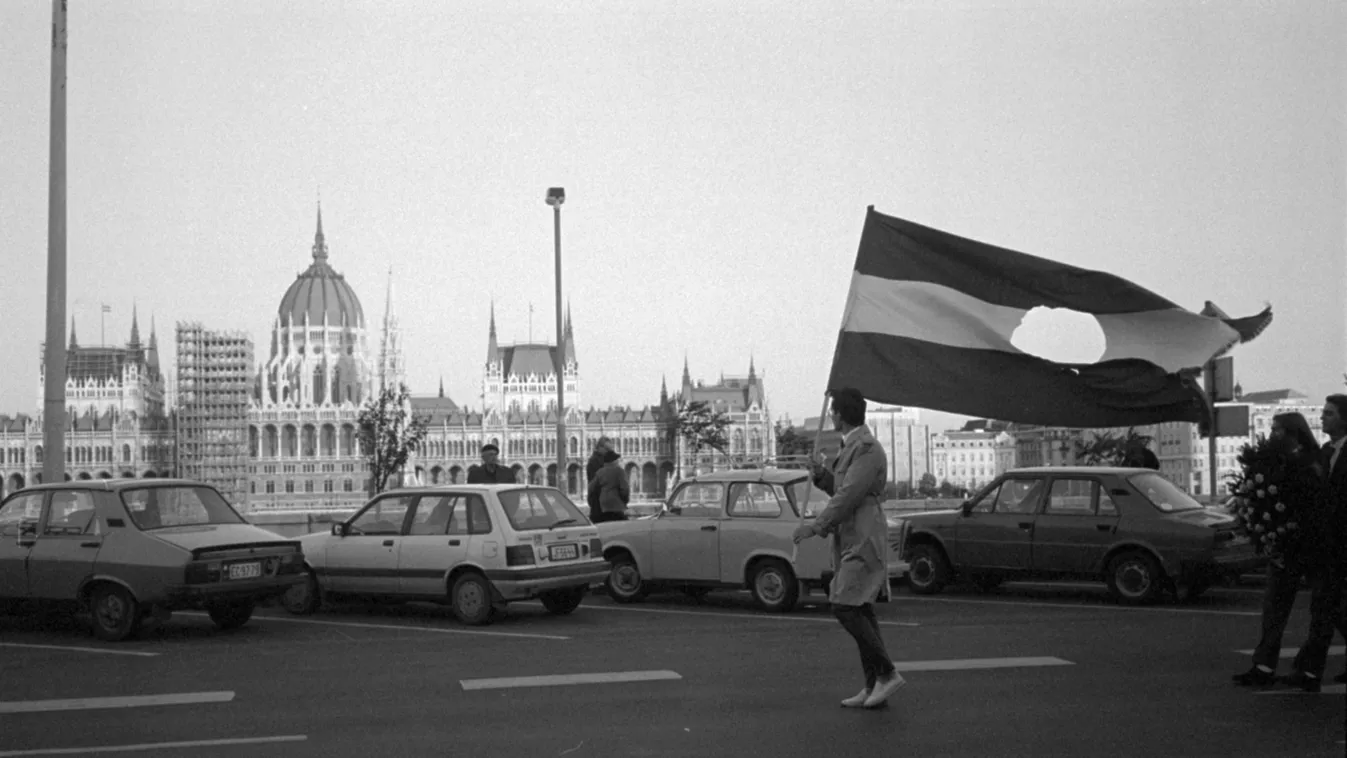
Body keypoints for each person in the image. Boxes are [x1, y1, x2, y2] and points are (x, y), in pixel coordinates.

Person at [792, 387, 904, 710]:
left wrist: (815, 527)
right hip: (852, 535)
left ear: (838, 414)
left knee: (844, 604)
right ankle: (873, 685)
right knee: (861, 606)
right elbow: (841, 487)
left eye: (833, 412)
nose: (831, 416)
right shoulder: (853, 446)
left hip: (864, 535)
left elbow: (848, 496)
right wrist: (821, 477)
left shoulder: (867, 448)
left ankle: (887, 672)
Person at [1231, 412, 1328, 688]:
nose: (1272, 434)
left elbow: (1311, 504)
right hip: (1284, 547)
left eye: (1277, 430)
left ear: (1293, 432)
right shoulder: (1276, 461)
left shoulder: (1312, 461)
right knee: (1274, 609)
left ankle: (1306, 668)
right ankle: (1263, 667)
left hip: (1309, 546)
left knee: (1327, 610)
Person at [1279, 395, 1347, 690]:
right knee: (1327, 607)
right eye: (1322, 413)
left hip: (1343, 543)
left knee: (1326, 607)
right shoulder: (1325, 451)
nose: (1322, 418)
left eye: (1330, 414)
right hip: (1327, 544)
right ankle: (1308, 671)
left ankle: (1308, 671)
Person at [587, 448, 629, 523]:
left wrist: (591, 503)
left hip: (603, 504)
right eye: (617, 460)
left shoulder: (600, 472)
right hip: (616, 504)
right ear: (614, 461)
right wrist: (625, 500)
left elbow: (591, 488)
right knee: (621, 524)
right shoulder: (619, 471)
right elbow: (625, 488)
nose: (618, 461)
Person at [586, 437, 614, 521]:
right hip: (601, 506)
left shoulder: (604, 460)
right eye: (607, 449)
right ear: (600, 448)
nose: (610, 452)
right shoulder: (595, 462)